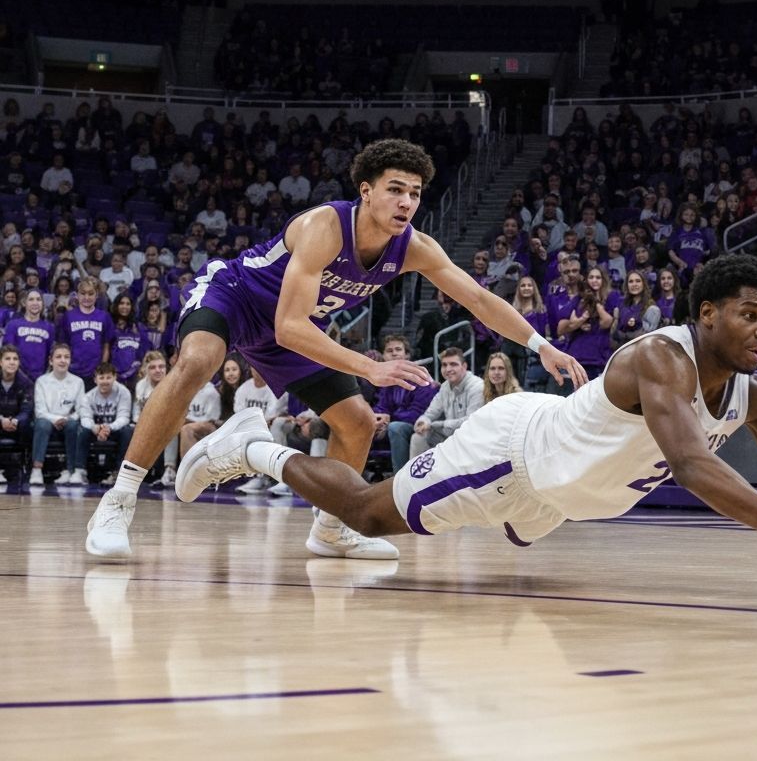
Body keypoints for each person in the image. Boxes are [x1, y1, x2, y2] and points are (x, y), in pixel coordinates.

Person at [176, 255, 757, 559]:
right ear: (708, 313)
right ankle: (250, 448)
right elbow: (688, 463)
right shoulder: (661, 355)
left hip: (563, 495)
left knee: (524, 531)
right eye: (749, 314)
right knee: (374, 515)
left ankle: (518, 514)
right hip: (511, 449)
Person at [86, 139, 586, 561]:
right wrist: (371, 366)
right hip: (238, 298)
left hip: (298, 325)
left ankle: (331, 529)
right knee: (198, 360)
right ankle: (120, 498)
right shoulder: (325, 226)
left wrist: (540, 344)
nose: (406, 202)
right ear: (366, 192)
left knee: (358, 423)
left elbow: (477, 298)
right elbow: (287, 325)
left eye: (414, 193)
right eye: (395, 189)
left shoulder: (414, 247)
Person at [374, 335, 439, 475]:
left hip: (419, 426)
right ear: (384, 356)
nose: (394, 353)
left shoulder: (421, 378)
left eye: (398, 349)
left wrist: (389, 419)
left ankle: (400, 478)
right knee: (365, 423)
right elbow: (381, 407)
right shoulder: (386, 381)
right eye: (389, 350)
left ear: (407, 355)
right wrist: (377, 418)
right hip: (392, 425)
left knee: (395, 427)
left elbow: (418, 413)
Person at [410, 347, 484, 459]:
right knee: (418, 437)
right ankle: (415, 476)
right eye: (444, 365)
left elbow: (470, 422)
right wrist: (422, 422)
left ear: (464, 366)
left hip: (470, 439)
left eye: (453, 364)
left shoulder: (477, 386)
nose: (448, 369)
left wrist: (434, 425)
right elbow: (430, 413)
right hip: (450, 437)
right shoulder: (445, 386)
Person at [30, 343, 86, 486]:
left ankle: (71, 471)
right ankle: (37, 470)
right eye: (58, 357)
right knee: (42, 424)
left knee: (74, 425)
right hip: (47, 421)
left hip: (68, 422)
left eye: (66, 357)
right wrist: (56, 419)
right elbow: (40, 411)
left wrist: (67, 419)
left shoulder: (78, 382)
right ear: (51, 360)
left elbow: (81, 409)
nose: (63, 360)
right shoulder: (42, 381)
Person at [78, 362, 133, 485]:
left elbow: (124, 417)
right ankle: (80, 470)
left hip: (114, 430)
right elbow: (85, 418)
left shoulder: (124, 392)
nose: (105, 381)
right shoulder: (88, 396)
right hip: (95, 430)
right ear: (95, 379)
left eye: (108, 377)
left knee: (127, 430)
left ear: (115, 377)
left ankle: (119, 472)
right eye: (101, 378)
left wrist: (109, 427)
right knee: (82, 429)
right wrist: (95, 428)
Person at [0, 344, 32, 484]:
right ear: (0, 362)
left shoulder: (26, 383)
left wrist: (15, 421)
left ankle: (25, 469)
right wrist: (1, 420)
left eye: (15, 359)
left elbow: (27, 409)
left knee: (30, 424)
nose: (12, 362)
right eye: (8, 359)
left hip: (17, 426)